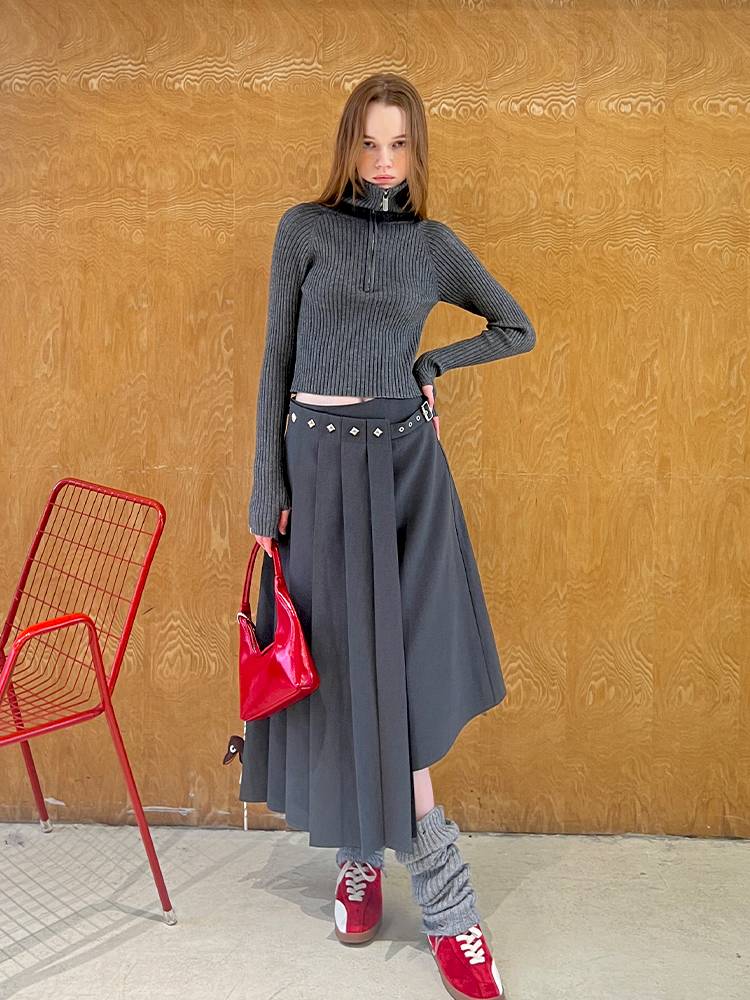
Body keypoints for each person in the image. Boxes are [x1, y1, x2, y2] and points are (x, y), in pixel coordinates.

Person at [240, 72, 536, 1000]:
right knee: (339, 670)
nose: (381, 161)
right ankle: (361, 859)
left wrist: (432, 363)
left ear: (416, 149)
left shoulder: (431, 247)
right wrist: (266, 489)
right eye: (368, 143)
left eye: (397, 144)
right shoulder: (303, 231)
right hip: (315, 470)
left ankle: (447, 904)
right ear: (347, 145)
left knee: (397, 676)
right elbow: (275, 359)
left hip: (402, 471)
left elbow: (515, 326)